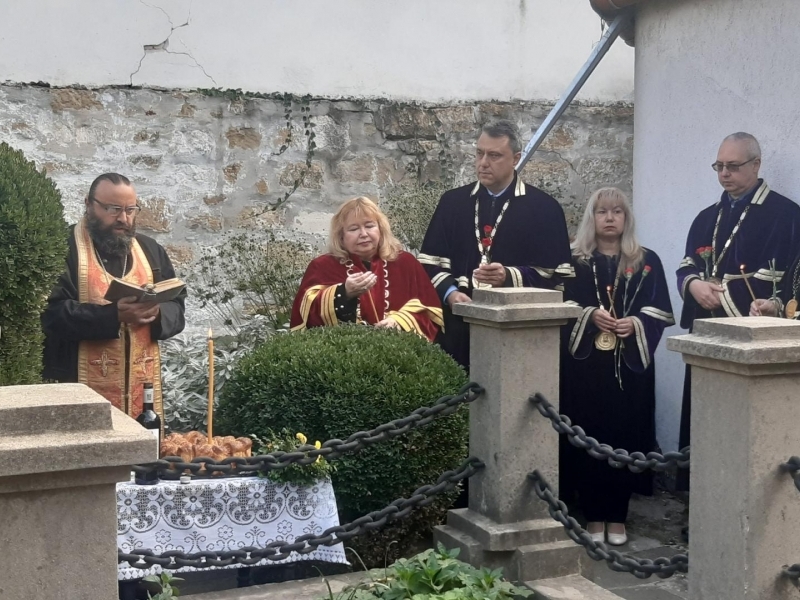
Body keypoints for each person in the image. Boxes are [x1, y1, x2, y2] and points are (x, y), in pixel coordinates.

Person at [676, 133, 800, 491]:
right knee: (703, 423)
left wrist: (724, 295)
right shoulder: (706, 216)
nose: (724, 174)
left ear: (756, 165)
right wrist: (694, 286)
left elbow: (786, 279)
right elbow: (687, 265)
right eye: (719, 166)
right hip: (708, 333)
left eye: (733, 166)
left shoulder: (786, 215)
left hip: (753, 339)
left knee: (744, 429)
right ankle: (697, 512)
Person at [560, 187, 674, 546]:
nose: (610, 218)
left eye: (617, 211)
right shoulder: (574, 261)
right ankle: (594, 515)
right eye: (602, 211)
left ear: (627, 218)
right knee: (589, 433)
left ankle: (618, 516)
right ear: (591, 218)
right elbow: (559, 307)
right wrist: (589, 315)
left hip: (629, 369)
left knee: (625, 436)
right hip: (586, 370)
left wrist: (635, 323)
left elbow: (660, 311)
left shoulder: (646, 261)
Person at [419, 120, 572, 368]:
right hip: (458, 329)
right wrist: (450, 293)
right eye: (479, 153)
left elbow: (555, 276)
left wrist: (508, 276)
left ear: (516, 158)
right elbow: (428, 264)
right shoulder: (452, 203)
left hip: (517, 333)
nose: (483, 163)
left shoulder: (544, 208)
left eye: (494, 155)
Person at [42, 173, 186, 423]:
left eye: (131, 210)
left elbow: (177, 307)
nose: (123, 219)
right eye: (113, 209)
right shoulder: (62, 247)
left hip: (142, 394)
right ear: (88, 204)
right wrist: (113, 316)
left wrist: (157, 313)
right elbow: (51, 315)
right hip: (75, 383)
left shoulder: (151, 250)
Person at [291, 196, 443, 341]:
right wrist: (343, 293)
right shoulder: (322, 266)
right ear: (341, 236)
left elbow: (430, 311)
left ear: (380, 230)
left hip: (399, 355)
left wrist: (398, 321)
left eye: (370, 226)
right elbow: (306, 315)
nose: (363, 234)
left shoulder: (405, 262)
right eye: (353, 229)